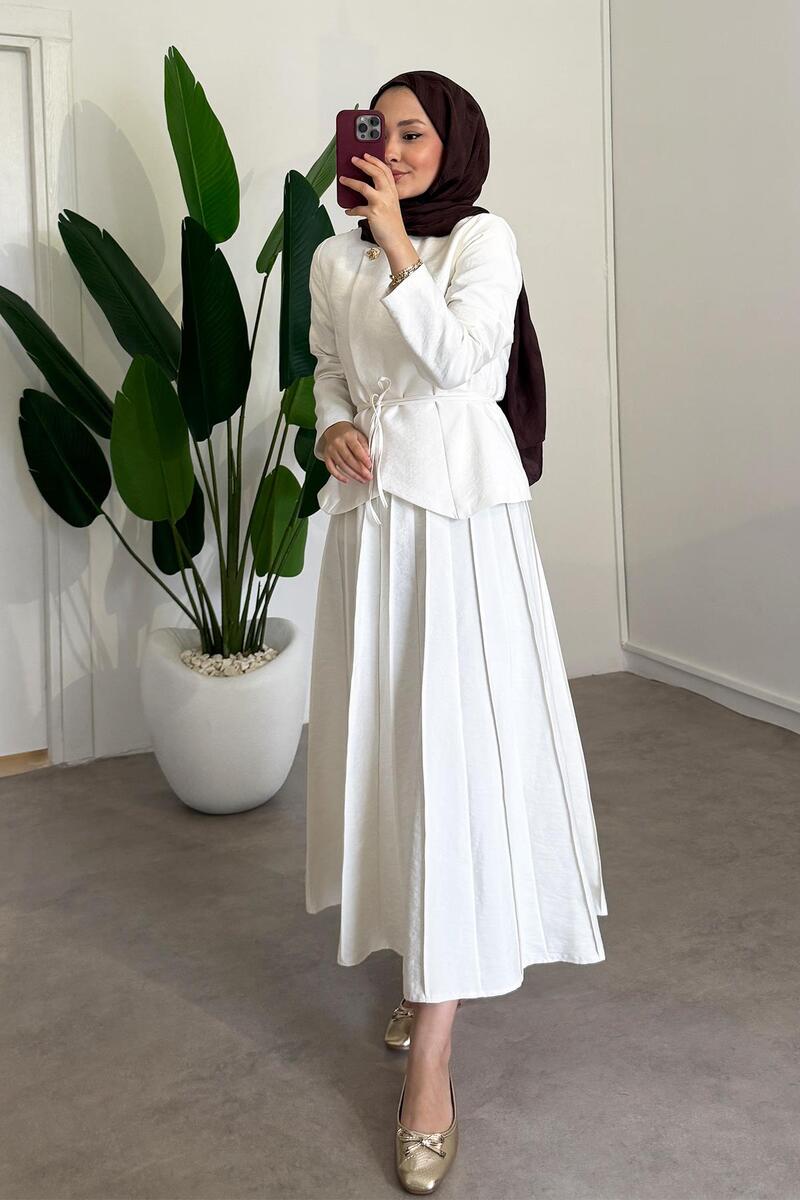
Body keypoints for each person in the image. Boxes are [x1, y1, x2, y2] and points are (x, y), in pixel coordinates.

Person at [305, 69, 608, 1194]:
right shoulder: (331, 257)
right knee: (390, 753)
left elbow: (464, 362)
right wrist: (332, 428)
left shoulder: (483, 239)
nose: (393, 147)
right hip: (373, 527)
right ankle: (424, 955)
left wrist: (398, 243)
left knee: (456, 754)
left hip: (461, 531)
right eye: (379, 130)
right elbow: (329, 369)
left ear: (454, 143)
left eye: (414, 132)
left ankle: (430, 1059)